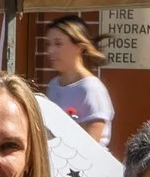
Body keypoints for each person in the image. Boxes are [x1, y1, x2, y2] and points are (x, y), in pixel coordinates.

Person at [40, 15, 114, 145]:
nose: (50, 50)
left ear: (79, 47)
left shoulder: (91, 88)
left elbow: (91, 145)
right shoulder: (53, 85)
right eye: (48, 44)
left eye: (58, 43)